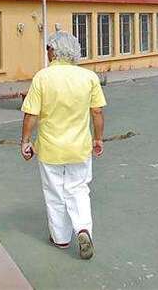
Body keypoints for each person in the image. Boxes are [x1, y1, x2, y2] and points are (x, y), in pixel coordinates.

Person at [20, 31, 106, 260]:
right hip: (80, 148)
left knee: (55, 192)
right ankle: (83, 229)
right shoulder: (88, 77)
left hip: (50, 149)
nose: (47, 52)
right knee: (79, 189)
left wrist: (25, 141)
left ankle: (60, 238)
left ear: (54, 50)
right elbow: (97, 111)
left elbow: (31, 114)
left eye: (48, 48)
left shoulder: (43, 77)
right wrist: (98, 138)